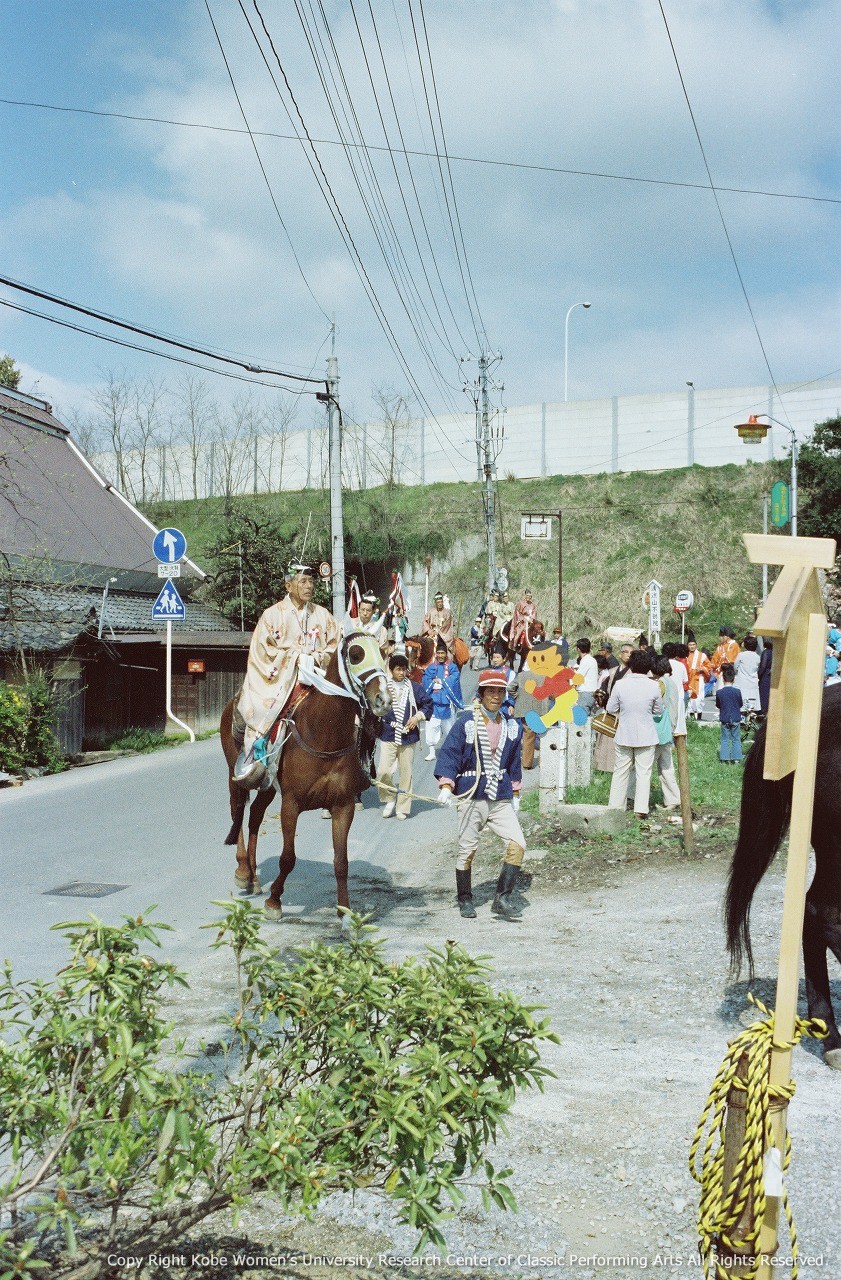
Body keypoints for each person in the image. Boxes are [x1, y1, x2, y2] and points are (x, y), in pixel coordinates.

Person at [232, 563, 340, 788]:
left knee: (347, 710)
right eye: (303, 581)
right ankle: (257, 759)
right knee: (264, 712)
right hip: (280, 680)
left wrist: (318, 657)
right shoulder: (271, 615)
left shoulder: (323, 615)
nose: (309, 586)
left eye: (311, 582)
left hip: (318, 678)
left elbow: (334, 646)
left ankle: (353, 762)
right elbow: (263, 652)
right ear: (289, 586)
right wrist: (295, 658)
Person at [435, 668, 525, 921]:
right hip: (472, 794)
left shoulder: (511, 726)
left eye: (500, 692)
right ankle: (465, 899)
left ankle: (502, 899)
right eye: (491, 691)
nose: (496, 696)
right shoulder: (466, 723)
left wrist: (515, 791)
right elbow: (450, 754)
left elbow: (514, 761)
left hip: (500, 796)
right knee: (467, 849)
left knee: (518, 844)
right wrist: (446, 786)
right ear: (482, 694)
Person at [606, 649, 663, 818]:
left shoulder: (620, 684)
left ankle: (615, 808)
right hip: (646, 735)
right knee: (643, 773)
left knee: (620, 771)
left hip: (624, 734)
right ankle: (641, 810)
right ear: (648, 667)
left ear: (631, 665)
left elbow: (610, 708)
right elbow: (659, 711)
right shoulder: (654, 685)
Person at [376, 652, 433, 820]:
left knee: (406, 773)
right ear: (391, 670)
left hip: (408, 736)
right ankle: (390, 798)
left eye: (403, 669)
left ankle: (402, 807)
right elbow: (375, 707)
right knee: (383, 771)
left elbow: (428, 704)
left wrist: (417, 717)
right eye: (398, 669)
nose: (401, 673)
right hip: (388, 734)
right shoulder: (383, 688)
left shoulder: (414, 687)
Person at [421, 638, 464, 761]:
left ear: (446, 654)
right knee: (431, 727)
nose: (440, 655)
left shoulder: (452, 667)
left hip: (447, 704)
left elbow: (454, 678)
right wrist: (435, 685)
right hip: (434, 704)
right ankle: (432, 752)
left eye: (442, 653)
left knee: (450, 728)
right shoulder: (431, 667)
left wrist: (442, 681)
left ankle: (452, 751)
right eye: (438, 653)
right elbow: (426, 680)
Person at [650, 655, 682, 810]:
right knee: (666, 767)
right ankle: (673, 799)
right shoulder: (672, 682)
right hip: (669, 728)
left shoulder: (660, 684)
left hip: (658, 730)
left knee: (643, 766)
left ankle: (633, 798)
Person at [716, 664, 743, 764]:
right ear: (733, 679)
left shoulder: (719, 692)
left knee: (725, 739)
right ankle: (736, 759)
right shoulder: (737, 691)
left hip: (724, 717)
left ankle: (724, 758)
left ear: (723, 679)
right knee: (736, 739)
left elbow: (718, 705)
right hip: (735, 717)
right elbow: (740, 704)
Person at [685, 635, 712, 721]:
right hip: (688, 679)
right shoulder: (685, 655)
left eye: (693, 644)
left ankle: (699, 717)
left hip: (699, 679)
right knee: (689, 699)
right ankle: (691, 718)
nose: (692, 646)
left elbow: (708, 666)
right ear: (687, 645)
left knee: (699, 698)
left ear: (696, 645)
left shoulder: (702, 655)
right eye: (690, 645)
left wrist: (702, 669)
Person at [422, 591, 455, 656]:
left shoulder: (447, 613)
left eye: (441, 602)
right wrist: (429, 631)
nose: (440, 604)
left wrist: (438, 633)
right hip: (431, 634)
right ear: (435, 603)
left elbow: (447, 625)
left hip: (443, 635)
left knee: (446, 651)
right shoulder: (430, 612)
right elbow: (425, 622)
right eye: (438, 602)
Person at [572, 637, 598, 715]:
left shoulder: (586, 660)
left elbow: (577, 679)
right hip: (590, 693)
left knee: (582, 718)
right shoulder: (591, 660)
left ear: (578, 649)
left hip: (585, 693)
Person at [734, 635, 761, 710]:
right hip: (753, 681)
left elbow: (735, 667)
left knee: (742, 702)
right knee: (752, 702)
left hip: (741, 681)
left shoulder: (741, 655)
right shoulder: (757, 657)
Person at [509, 589, 537, 657]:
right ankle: (515, 645)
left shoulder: (533, 605)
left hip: (530, 621)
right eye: (527, 595)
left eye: (530, 596)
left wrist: (531, 619)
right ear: (525, 596)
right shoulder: (521, 603)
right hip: (522, 621)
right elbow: (517, 613)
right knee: (519, 632)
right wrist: (524, 619)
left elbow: (534, 613)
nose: (528, 597)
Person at [758, 640, 773, 713]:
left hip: (765, 675)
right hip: (770, 674)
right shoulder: (774, 652)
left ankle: (763, 711)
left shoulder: (766, 652)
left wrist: (759, 675)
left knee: (763, 694)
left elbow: (763, 665)